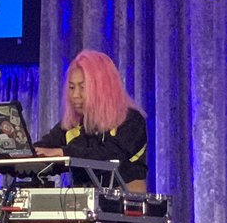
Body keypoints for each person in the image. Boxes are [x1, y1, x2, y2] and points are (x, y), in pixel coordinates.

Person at [33, 50, 148, 193]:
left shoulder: (131, 119)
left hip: (123, 200)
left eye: (82, 87)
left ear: (103, 87)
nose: (75, 95)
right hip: (79, 200)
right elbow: (45, 146)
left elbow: (111, 155)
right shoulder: (73, 123)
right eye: (71, 87)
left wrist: (63, 152)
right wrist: (19, 151)